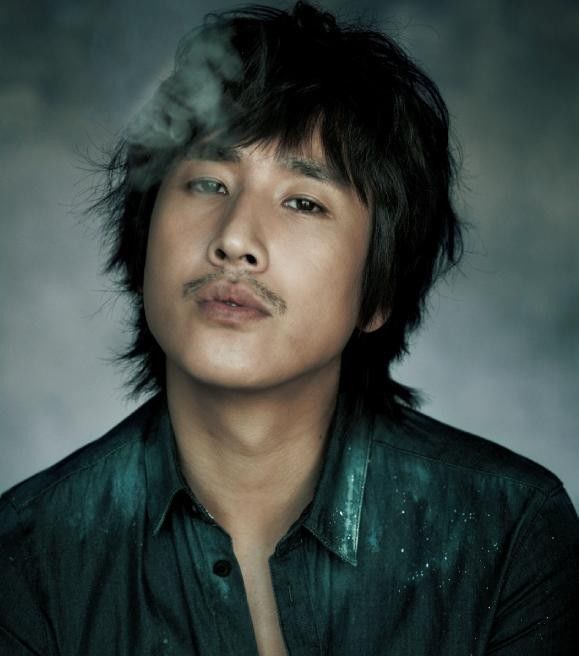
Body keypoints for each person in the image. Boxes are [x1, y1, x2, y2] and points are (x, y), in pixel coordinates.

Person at [1, 2, 578, 654]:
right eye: (207, 183)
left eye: (303, 202)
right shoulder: (29, 555)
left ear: (379, 291)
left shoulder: (508, 533)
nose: (235, 239)